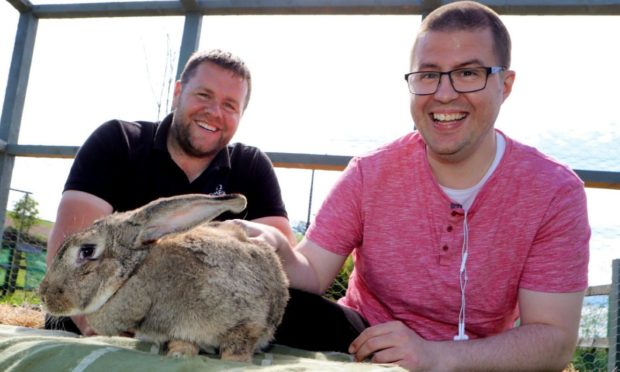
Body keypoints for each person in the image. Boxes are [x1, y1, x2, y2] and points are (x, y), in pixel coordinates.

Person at [239, 1, 590, 370]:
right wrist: (276, 247)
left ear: (505, 85)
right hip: (363, 345)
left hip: (476, 360)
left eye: (468, 73)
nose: (444, 94)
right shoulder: (368, 173)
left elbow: (554, 338)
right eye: (428, 75)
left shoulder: (553, 192)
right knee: (267, 306)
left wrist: (433, 357)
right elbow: (310, 271)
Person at [45, 49, 296, 336]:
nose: (214, 113)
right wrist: (102, 331)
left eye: (230, 105)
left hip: (198, 323)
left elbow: (277, 269)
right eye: (204, 95)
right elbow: (73, 248)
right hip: (105, 320)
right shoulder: (118, 141)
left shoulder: (251, 167)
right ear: (178, 93)